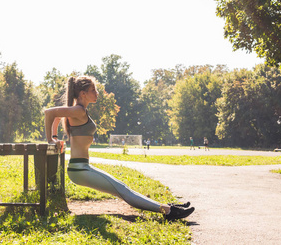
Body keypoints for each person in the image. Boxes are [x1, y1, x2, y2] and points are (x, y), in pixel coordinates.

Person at [44, 76, 194, 220]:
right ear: (83, 93)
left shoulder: (78, 110)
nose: (97, 93)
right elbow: (50, 113)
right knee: (122, 191)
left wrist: (55, 137)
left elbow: (57, 116)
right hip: (80, 170)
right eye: (93, 90)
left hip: (82, 167)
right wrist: (51, 139)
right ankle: (168, 211)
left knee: (122, 187)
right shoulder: (78, 110)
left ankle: (168, 207)